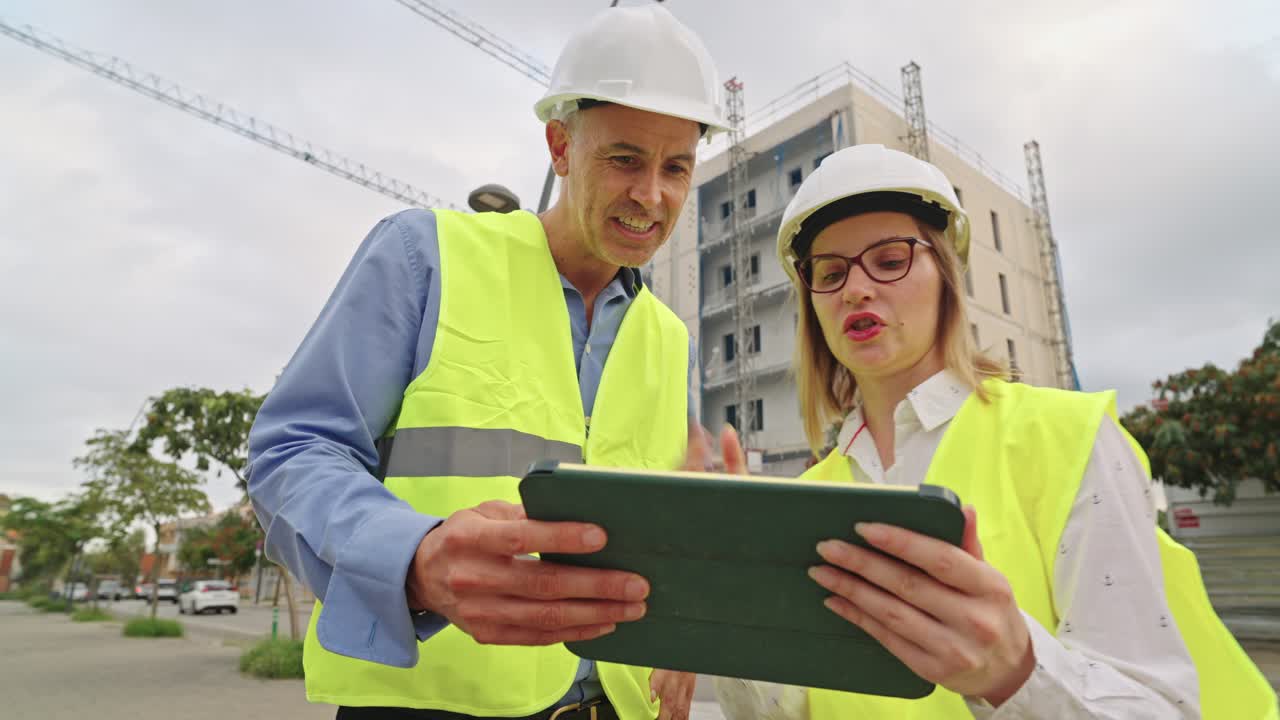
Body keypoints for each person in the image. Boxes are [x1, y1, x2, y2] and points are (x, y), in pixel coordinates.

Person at [245, 6, 727, 719]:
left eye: (676, 167)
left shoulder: (667, 337)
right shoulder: (425, 257)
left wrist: (689, 619)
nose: (650, 195)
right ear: (560, 148)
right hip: (426, 705)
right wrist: (412, 558)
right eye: (624, 158)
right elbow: (292, 452)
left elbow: (660, 528)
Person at [714, 143, 1276, 719]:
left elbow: (1162, 709)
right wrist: (717, 615)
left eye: (889, 261)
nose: (856, 289)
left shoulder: (1067, 437)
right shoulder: (805, 496)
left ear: (946, 278)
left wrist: (1016, 673)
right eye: (830, 273)